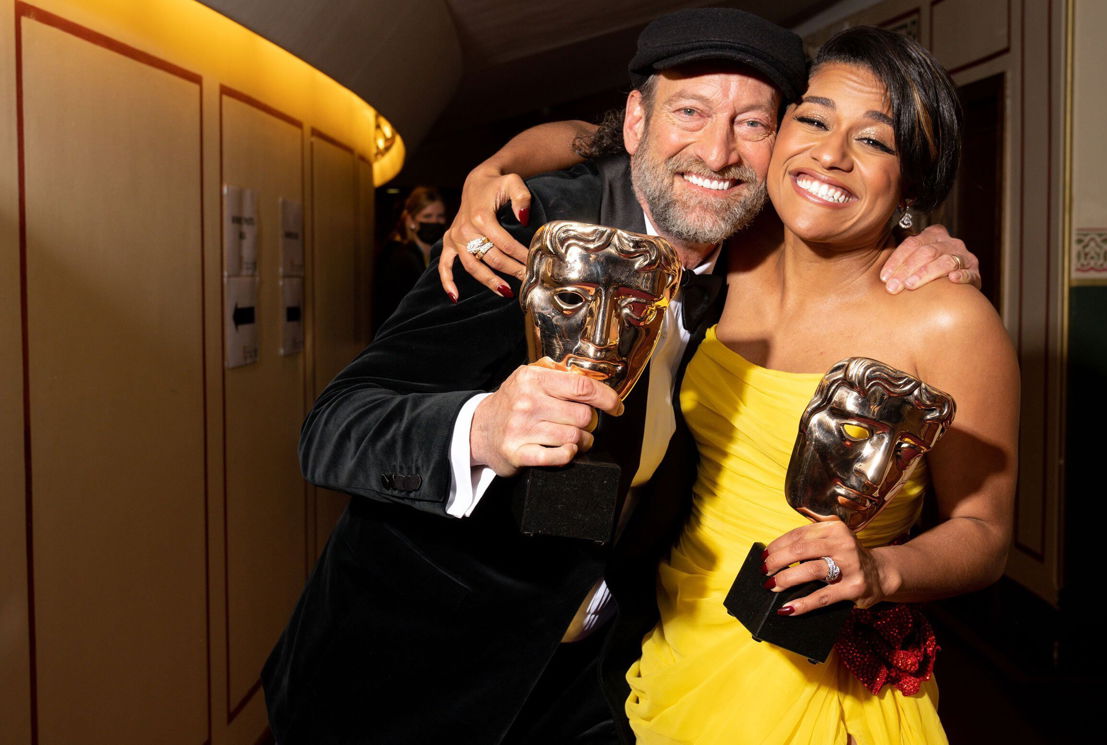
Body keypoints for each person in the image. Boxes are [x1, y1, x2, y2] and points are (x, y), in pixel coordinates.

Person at [262, 10, 978, 745]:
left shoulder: (751, 259)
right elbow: (333, 425)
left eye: (753, 123)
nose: (717, 150)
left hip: (601, 689)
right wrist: (482, 428)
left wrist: (921, 238)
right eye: (690, 111)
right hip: (402, 687)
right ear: (636, 119)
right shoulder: (521, 235)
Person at [441, 24, 1016, 745]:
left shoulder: (948, 319)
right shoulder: (732, 247)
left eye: (874, 140)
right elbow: (607, 137)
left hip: (810, 683)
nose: (831, 155)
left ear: (914, 178)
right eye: (813, 119)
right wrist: (487, 171)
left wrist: (880, 570)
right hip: (669, 642)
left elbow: (986, 535)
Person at [372, 185, 445, 331]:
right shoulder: (400, 258)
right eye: (427, 216)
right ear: (412, 221)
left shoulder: (440, 255)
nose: (435, 222)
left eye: (440, 216)